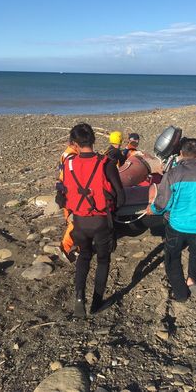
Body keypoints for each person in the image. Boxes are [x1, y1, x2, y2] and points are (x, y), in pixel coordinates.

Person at [57, 123, 125, 318]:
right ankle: (96, 302)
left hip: (78, 222)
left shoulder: (68, 163)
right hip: (101, 221)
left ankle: (79, 298)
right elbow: (121, 196)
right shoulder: (106, 163)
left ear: (74, 143)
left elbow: (61, 194)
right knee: (103, 260)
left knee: (84, 256)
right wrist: (115, 211)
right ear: (94, 140)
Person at [147, 138, 196, 301]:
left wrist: (154, 209)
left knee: (172, 257)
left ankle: (180, 293)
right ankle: (192, 279)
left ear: (180, 154)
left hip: (177, 224)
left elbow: (164, 201)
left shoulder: (173, 174)